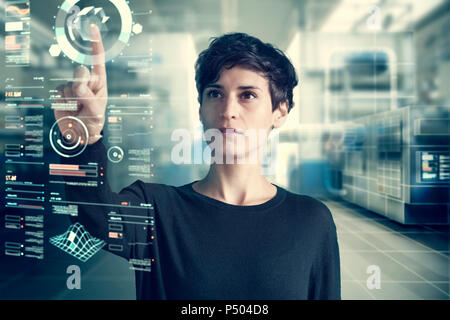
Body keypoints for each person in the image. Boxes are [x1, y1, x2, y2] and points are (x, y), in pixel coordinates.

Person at [55, 25, 341, 299]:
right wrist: (86, 139)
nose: (228, 110)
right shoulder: (157, 211)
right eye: (215, 94)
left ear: (280, 111)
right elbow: (94, 217)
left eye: (248, 95)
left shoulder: (311, 221)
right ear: (201, 110)